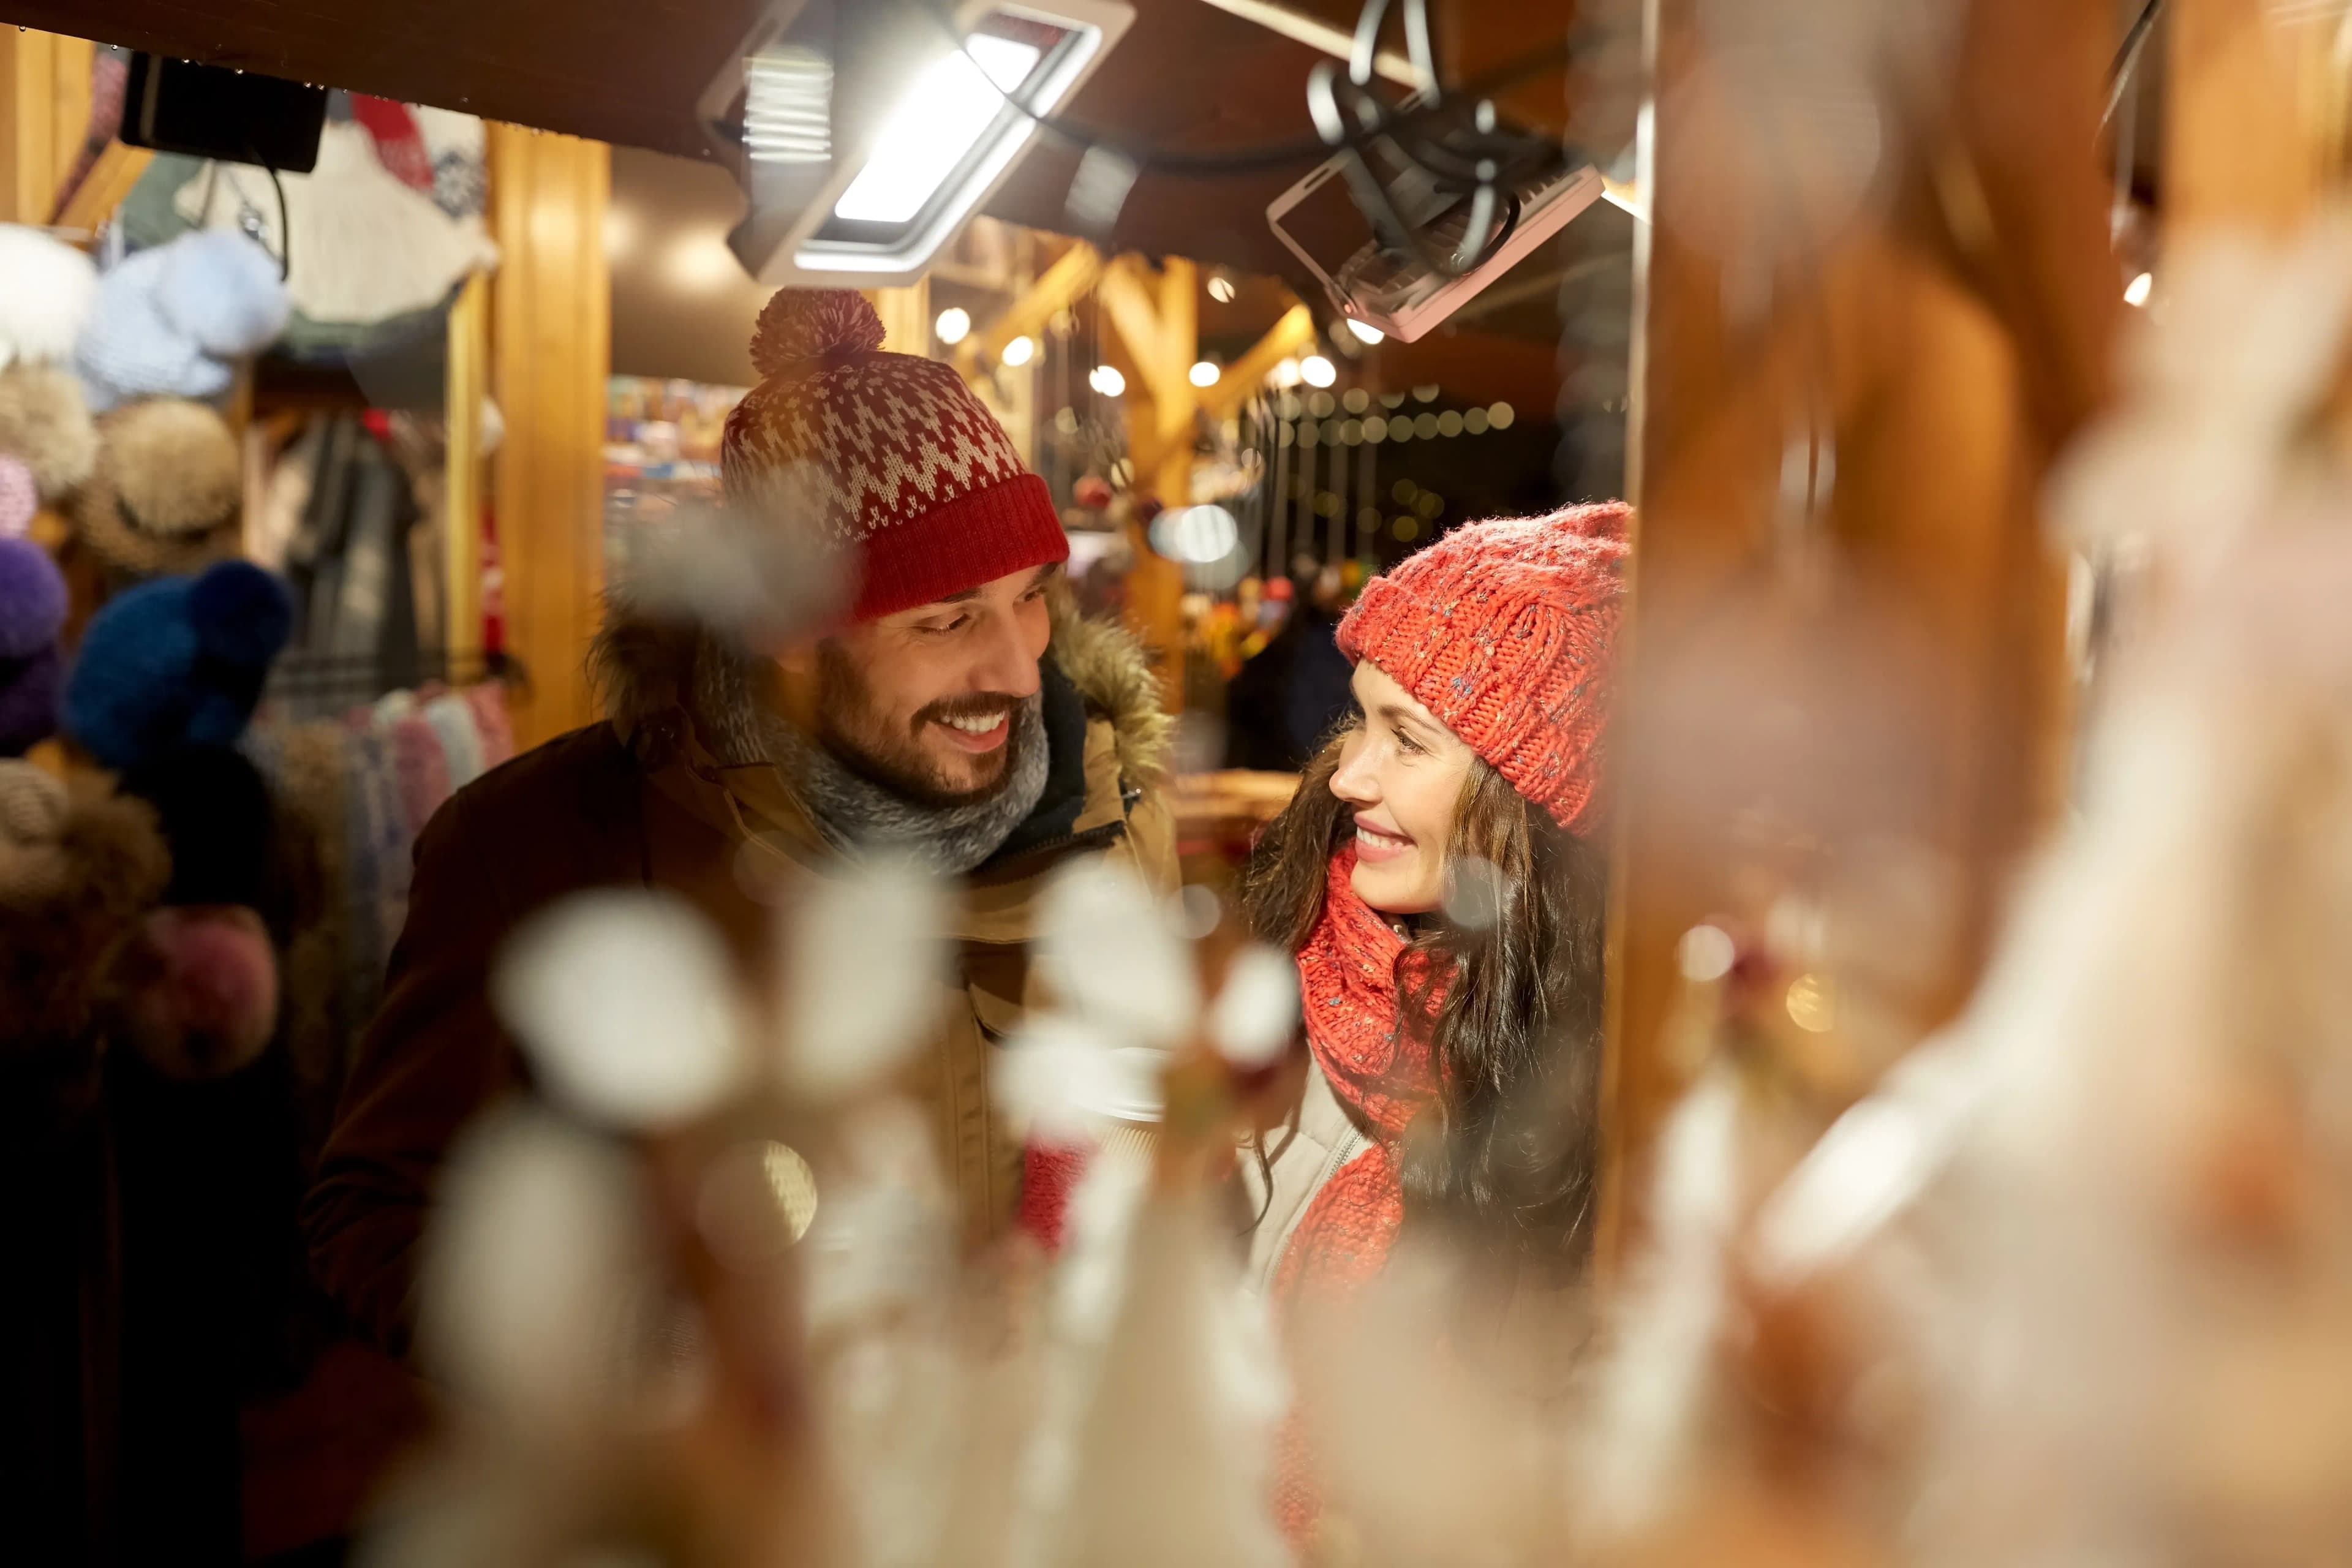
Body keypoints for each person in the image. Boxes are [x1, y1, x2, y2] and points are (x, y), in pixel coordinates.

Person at [303, 289, 1177, 1357]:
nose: (1015, 666)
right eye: (947, 620)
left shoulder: (1114, 813)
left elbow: (1158, 1149)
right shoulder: (540, 847)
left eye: (1029, 596)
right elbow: (378, 1213)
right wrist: (649, 1355)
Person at [1234, 503, 1626, 1534]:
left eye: (1406, 739)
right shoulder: (1276, 983)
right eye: (1360, 720)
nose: (1349, 775)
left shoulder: (1617, 1091)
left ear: (1535, 801)